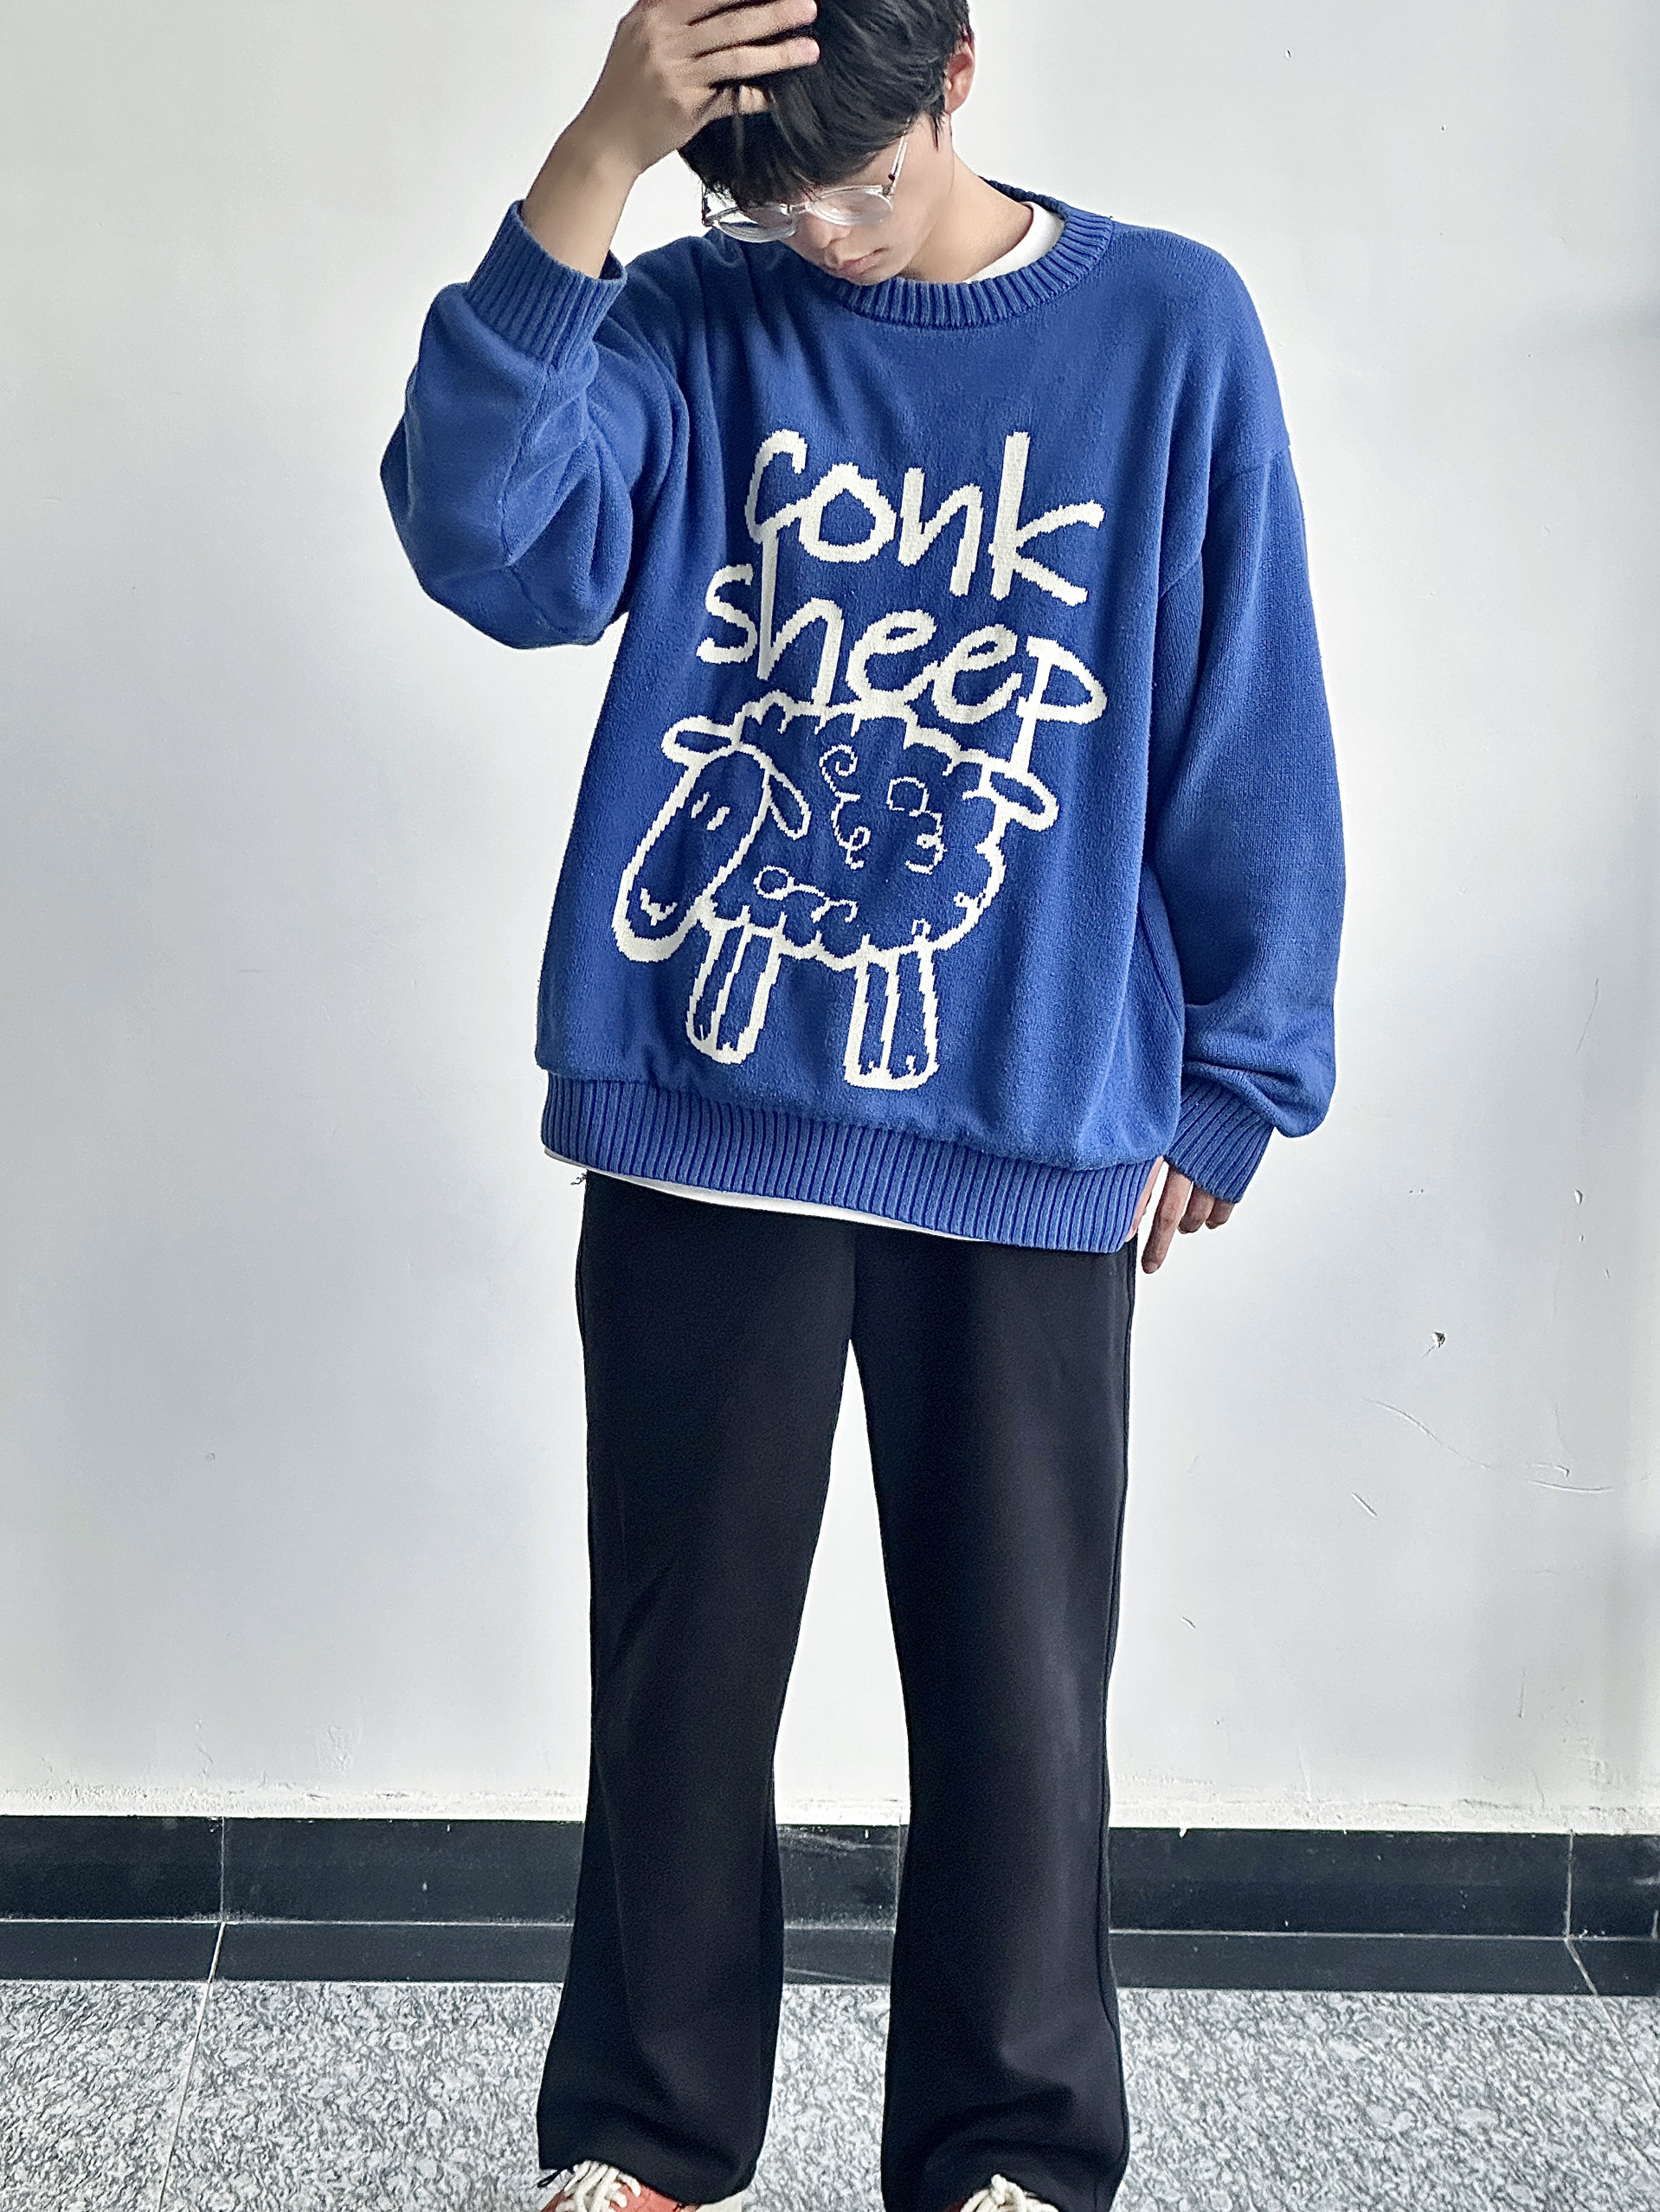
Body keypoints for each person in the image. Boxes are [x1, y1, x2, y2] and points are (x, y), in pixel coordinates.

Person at [381, 1, 1345, 2208]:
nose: (817, 232)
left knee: (1019, 1694)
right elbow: (484, 541)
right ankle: (641, 2141)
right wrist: (599, 158)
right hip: (701, 1116)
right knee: (680, 1669)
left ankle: (1008, 2153)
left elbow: (1246, 707)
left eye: (856, 181)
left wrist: (1241, 1070)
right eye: (768, 197)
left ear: (959, 75)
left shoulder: (1167, 329)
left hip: (1034, 1123)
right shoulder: (692, 318)